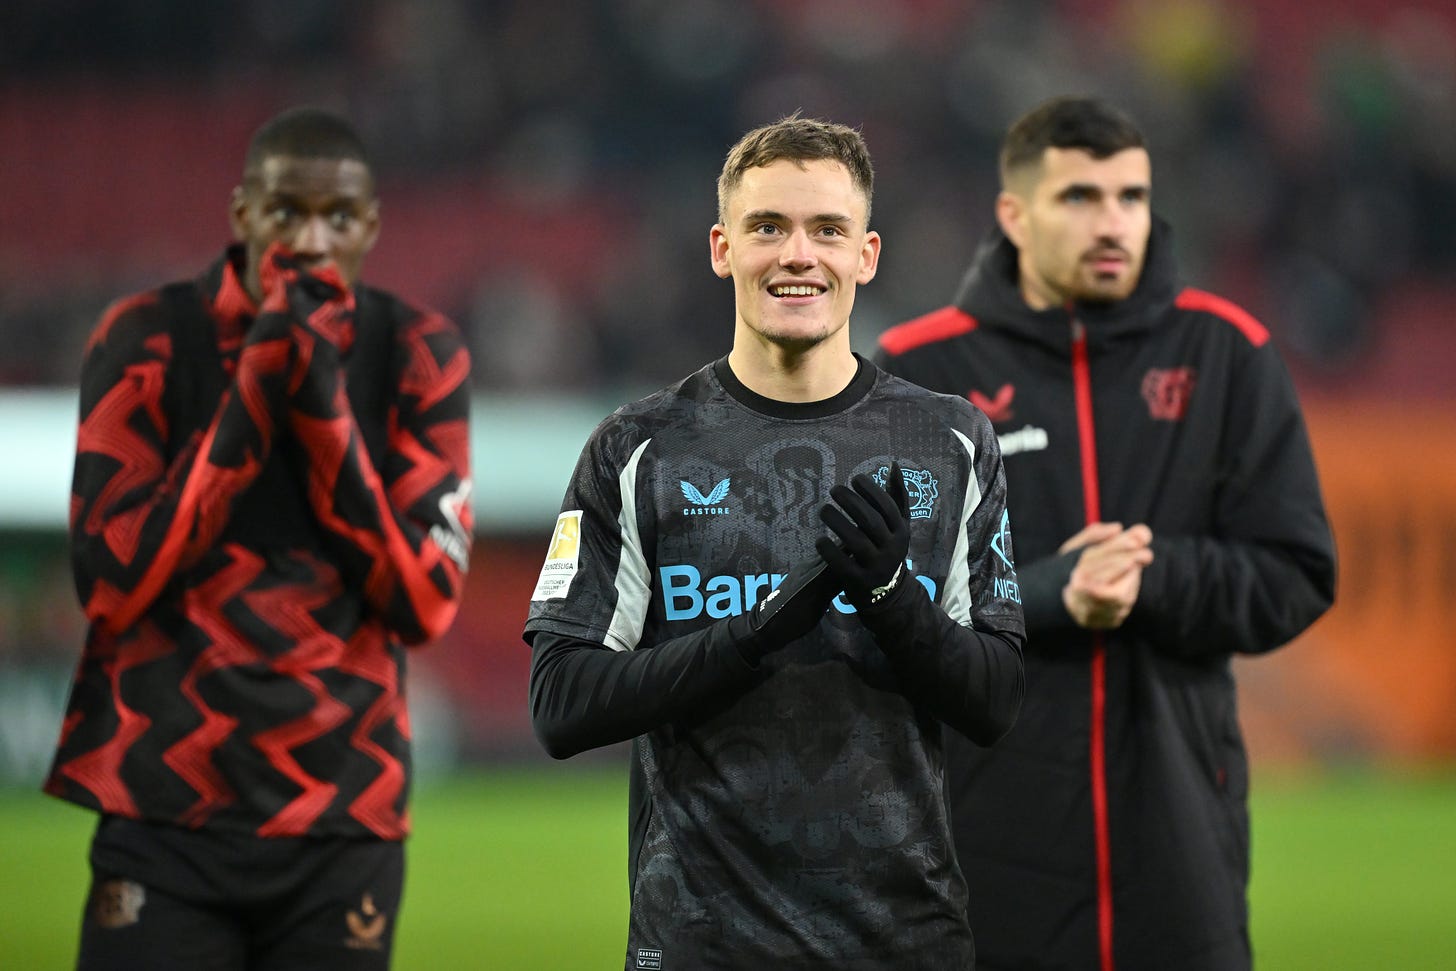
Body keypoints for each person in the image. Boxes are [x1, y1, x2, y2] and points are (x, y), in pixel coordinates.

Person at [523, 115, 1025, 969]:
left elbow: (995, 700)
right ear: (722, 248)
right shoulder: (636, 448)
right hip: (700, 945)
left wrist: (889, 598)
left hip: (905, 944)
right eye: (768, 228)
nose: (798, 255)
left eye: (827, 229)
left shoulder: (951, 441)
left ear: (866, 255)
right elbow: (561, 704)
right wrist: (754, 635)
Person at [874, 95, 1337, 970]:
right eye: (1080, 197)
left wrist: (1151, 579)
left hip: (1179, 843)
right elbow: (882, 603)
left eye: (1131, 196)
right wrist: (1049, 595)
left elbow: (1297, 573)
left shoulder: (1226, 351)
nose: (1113, 221)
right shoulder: (920, 368)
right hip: (981, 844)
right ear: (1013, 214)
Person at [44, 106, 474, 970]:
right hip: (162, 808)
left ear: (372, 228)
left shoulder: (417, 351)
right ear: (242, 213)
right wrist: (252, 393)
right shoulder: (146, 338)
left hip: (342, 814)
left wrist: (315, 403)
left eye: (339, 218)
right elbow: (111, 581)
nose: (312, 242)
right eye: (286, 213)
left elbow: (425, 603)